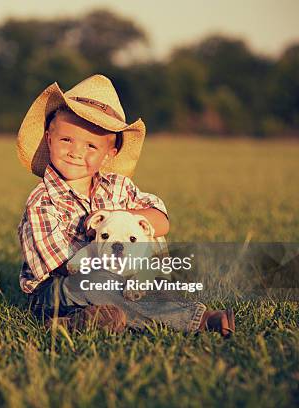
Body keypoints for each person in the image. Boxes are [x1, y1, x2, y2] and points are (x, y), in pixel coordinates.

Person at [16, 74, 235, 337]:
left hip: (119, 276)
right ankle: (200, 320)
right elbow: (63, 265)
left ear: (109, 154)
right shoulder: (42, 200)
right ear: (49, 138)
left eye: (90, 146)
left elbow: (160, 220)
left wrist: (119, 222)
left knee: (151, 278)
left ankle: (83, 321)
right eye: (66, 140)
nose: (76, 152)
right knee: (97, 282)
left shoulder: (119, 187)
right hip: (58, 291)